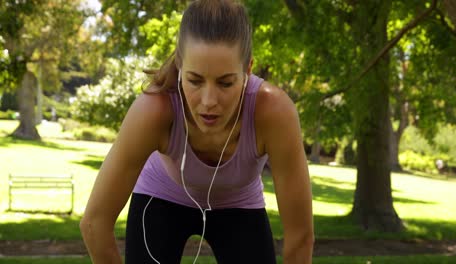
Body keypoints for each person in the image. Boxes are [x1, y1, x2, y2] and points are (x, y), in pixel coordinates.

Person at [79, 0, 314, 263]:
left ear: (247, 69)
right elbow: (94, 224)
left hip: (238, 204)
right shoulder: (154, 110)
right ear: (179, 66)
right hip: (161, 195)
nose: (209, 101)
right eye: (195, 80)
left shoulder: (274, 112)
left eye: (225, 83)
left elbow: (300, 236)